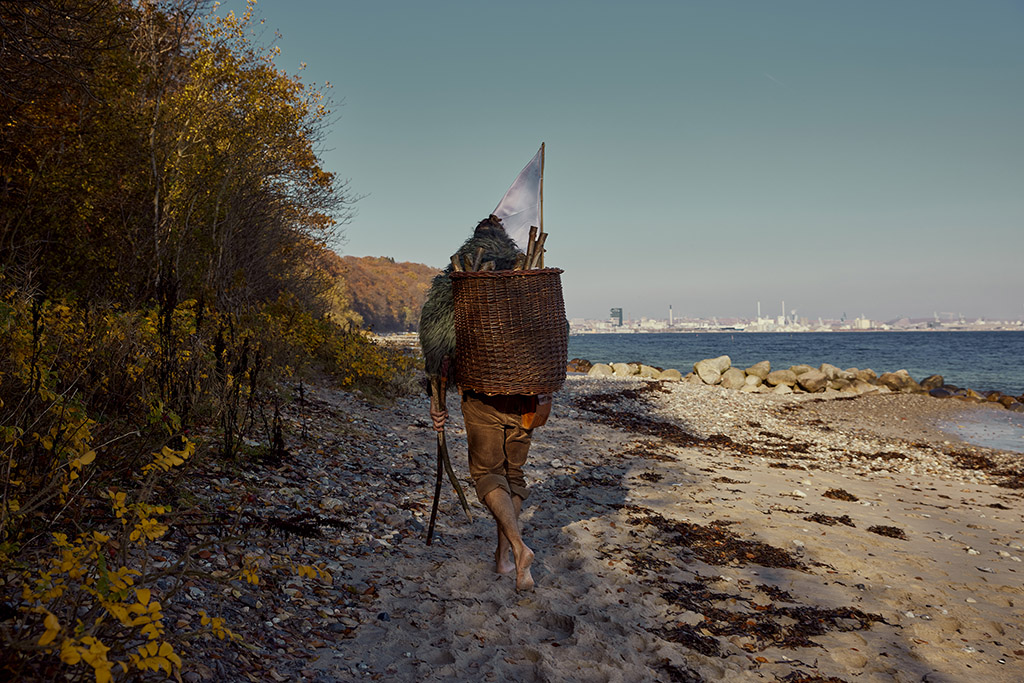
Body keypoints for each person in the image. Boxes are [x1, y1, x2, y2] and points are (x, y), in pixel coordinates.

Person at [418, 215, 541, 591]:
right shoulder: (528, 278)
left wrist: (436, 400)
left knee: (488, 475)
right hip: (525, 397)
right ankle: (503, 560)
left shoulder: (455, 282)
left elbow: (437, 345)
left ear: (472, 242)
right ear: (506, 240)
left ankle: (518, 548)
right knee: (514, 476)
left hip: (481, 394)